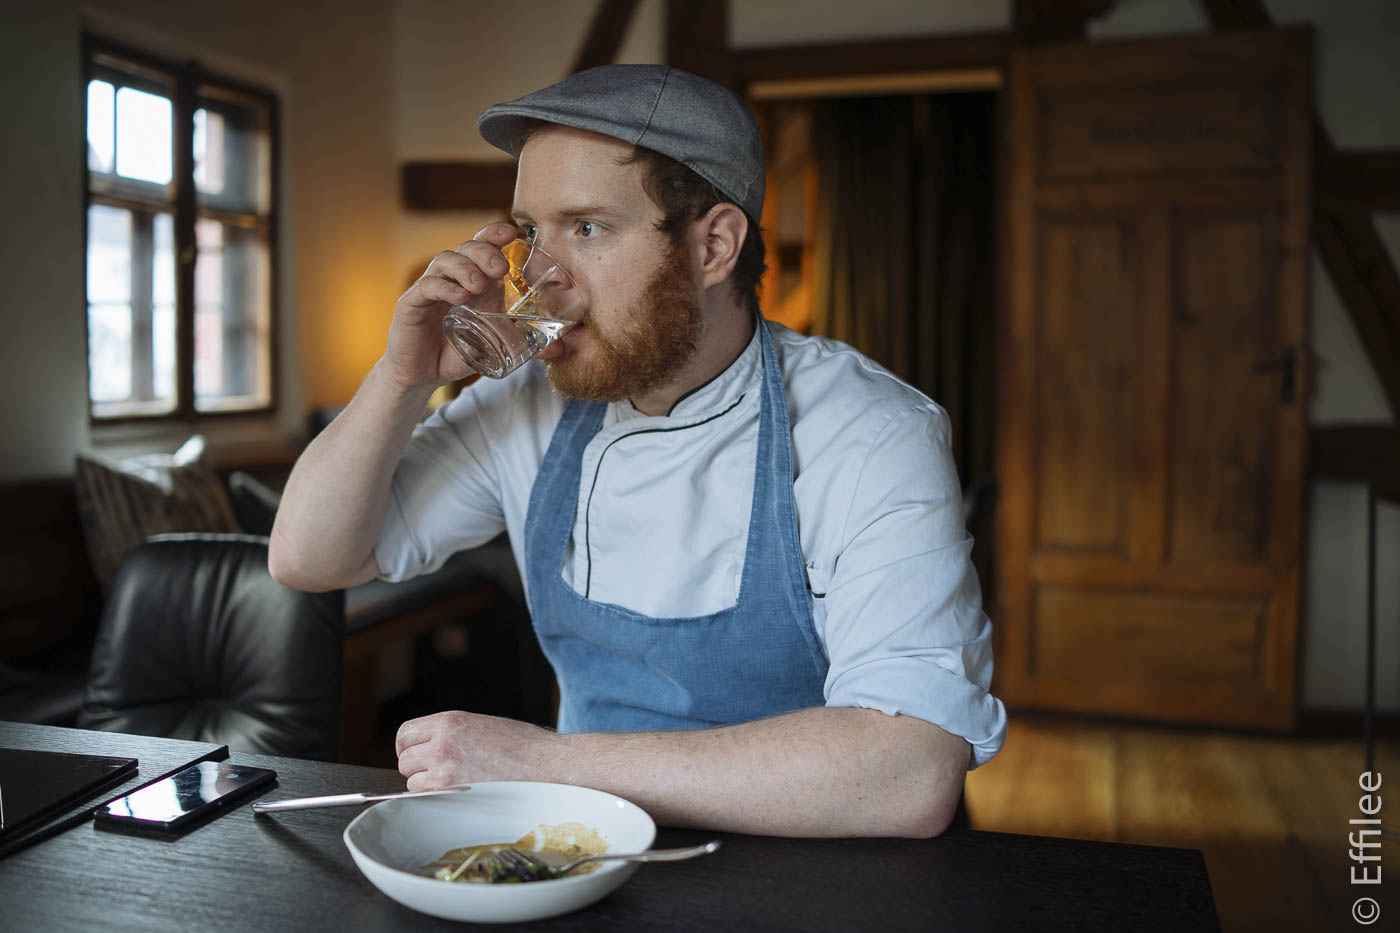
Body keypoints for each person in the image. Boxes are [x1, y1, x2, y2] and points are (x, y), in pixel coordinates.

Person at [269, 64, 1006, 838]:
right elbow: (308, 557)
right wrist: (402, 376)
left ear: (715, 245)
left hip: (821, 880)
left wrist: (546, 763)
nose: (543, 280)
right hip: (590, 864)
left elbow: (909, 771)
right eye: (531, 233)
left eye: (585, 228)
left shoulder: (869, 430)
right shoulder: (523, 407)